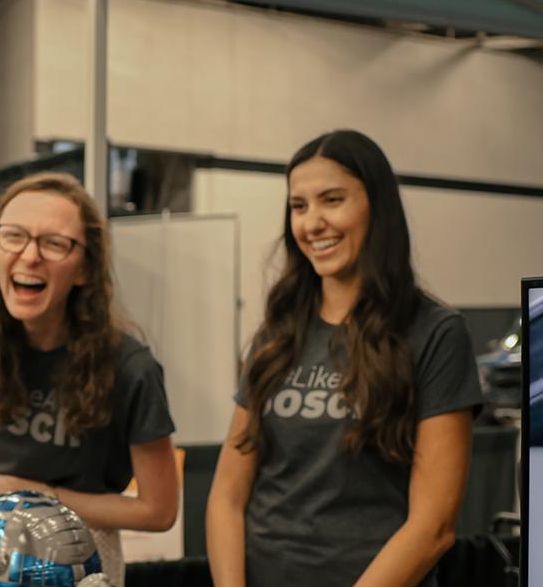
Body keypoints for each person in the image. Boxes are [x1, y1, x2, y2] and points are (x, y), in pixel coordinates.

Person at [206, 130, 483, 587]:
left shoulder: (434, 332)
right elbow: (227, 497)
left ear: (377, 207)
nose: (312, 223)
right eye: (299, 206)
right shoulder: (278, 334)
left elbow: (432, 528)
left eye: (332, 200)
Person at [0, 172, 179, 587]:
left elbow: (159, 510)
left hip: (81, 548)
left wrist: (16, 489)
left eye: (54, 243)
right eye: (13, 236)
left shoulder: (131, 367)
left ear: (84, 268)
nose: (29, 255)